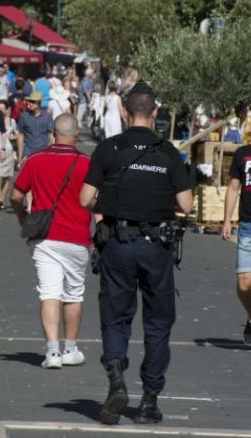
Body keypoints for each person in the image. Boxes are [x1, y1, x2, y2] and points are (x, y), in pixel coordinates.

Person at [79, 81, 193, 425]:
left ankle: (116, 379)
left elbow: (85, 199)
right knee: (158, 322)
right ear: (155, 113)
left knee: (116, 316)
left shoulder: (108, 148)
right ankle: (149, 400)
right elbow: (186, 205)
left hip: (117, 242)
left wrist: (112, 201)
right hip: (156, 246)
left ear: (125, 112)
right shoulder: (168, 152)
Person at [11, 114, 91, 369]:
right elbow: (95, 200)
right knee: (73, 294)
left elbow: (15, 196)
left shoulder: (35, 159)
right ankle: (70, 349)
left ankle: (52, 352)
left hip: (44, 237)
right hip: (77, 236)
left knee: (49, 293)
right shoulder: (86, 163)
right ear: (76, 134)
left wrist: (24, 218)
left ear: (53, 134)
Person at [221, 107, 251, 345]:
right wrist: (227, 220)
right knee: (244, 285)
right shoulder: (243, 154)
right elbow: (233, 188)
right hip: (249, 227)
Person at [17, 91, 55, 167]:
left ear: (38, 103)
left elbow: (51, 135)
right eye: (29, 101)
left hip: (43, 151)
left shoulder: (47, 116)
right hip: (28, 151)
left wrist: (54, 153)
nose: (29, 103)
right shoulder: (24, 116)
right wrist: (20, 156)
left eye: (32, 102)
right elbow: (20, 135)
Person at [0, 100, 17, 210]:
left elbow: (16, 135)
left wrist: (14, 136)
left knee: (6, 177)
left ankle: (2, 199)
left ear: (7, 110)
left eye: (2, 108)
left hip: (9, 151)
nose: (0, 110)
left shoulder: (12, 121)